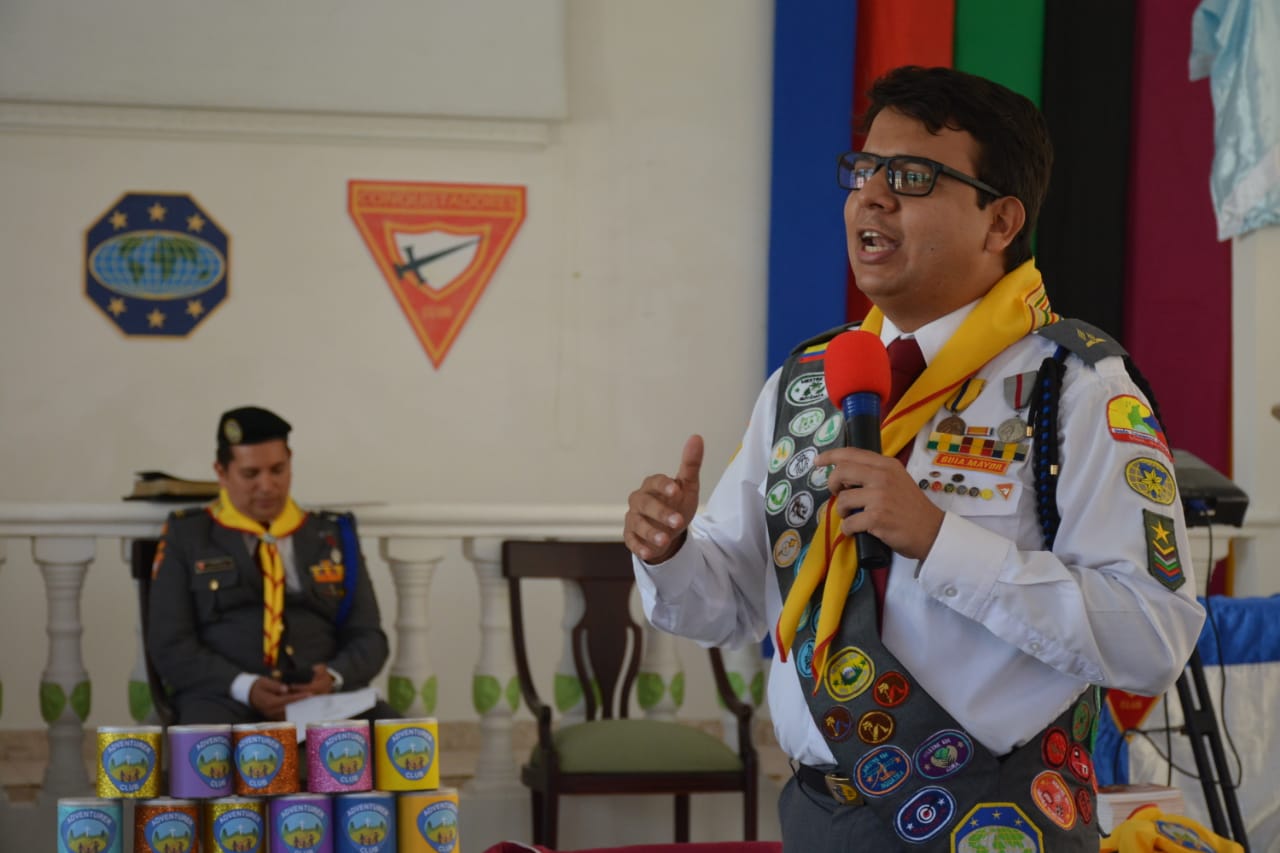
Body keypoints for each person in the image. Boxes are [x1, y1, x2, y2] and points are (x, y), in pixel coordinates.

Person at [624, 66, 1206, 851]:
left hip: (993, 814)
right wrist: (667, 554)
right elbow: (726, 605)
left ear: (1000, 222)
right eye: (864, 170)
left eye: (911, 177)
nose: (871, 196)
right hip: (817, 812)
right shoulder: (807, 384)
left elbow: (1153, 638)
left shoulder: (1075, 386)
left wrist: (939, 540)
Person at [148, 405, 397, 724]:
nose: (267, 486)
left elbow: (369, 636)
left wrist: (334, 676)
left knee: (403, 743)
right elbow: (170, 644)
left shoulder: (331, 535)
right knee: (206, 748)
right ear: (222, 473)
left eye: (278, 470)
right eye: (250, 474)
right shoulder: (190, 535)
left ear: (291, 464)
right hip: (223, 697)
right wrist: (245, 687)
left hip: (324, 700)